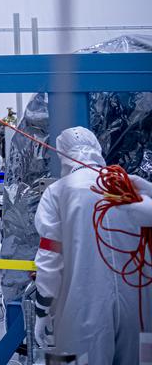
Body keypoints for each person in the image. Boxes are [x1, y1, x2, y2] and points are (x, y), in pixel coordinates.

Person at [33, 127, 152, 363]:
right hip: (139, 305)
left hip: (85, 306)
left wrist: (42, 308)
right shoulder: (129, 186)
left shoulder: (58, 192)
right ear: (97, 149)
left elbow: (50, 259)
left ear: (62, 155)